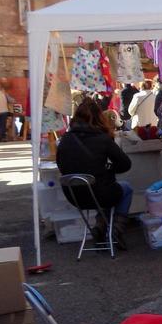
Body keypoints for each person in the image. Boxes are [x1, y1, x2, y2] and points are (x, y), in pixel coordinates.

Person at [56, 95, 134, 239]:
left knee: (102, 188)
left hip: (74, 195)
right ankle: (116, 229)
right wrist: (108, 169)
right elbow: (125, 164)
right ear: (99, 118)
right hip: (100, 192)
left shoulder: (65, 140)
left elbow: (61, 166)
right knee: (123, 189)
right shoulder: (102, 139)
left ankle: (101, 226)